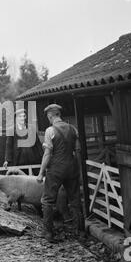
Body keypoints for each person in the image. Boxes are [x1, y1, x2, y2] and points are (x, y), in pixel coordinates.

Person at [37, 104, 85, 243]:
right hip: (72, 168)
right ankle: (81, 233)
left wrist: (41, 173)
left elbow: (47, 154)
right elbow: (78, 152)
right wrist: (78, 171)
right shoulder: (73, 129)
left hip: (56, 170)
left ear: (51, 116)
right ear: (59, 114)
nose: (48, 119)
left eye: (48, 117)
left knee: (47, 201)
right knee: (75, 201)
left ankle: (49, 234)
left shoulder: (50, 130)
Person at [3, 108, 43, 174]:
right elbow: (9, 145)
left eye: (24, 116)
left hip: (33, 158)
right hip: (19, 160)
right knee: (22, 180)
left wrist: (42, 156)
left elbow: (37, 144)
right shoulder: (11, 130)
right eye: (20, 116)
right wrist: (7, 160)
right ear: (16, 118)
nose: (22, 118)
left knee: (37, 178)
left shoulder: (31, 128)